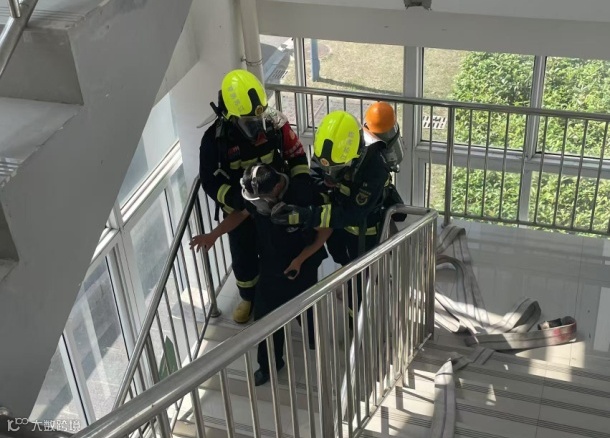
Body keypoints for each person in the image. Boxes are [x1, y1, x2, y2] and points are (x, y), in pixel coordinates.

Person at [190, 164, 332, 386]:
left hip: (301, 268)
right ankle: (269, 366)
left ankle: (315, 338)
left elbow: (325, 230)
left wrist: (300, 259)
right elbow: (240, 214)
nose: (258, 205)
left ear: (276, 188)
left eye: (261, 200)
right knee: (264, 320)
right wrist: (214, 234)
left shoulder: (303, 194)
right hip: (270, 267)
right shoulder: (255, 197)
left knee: (306, 310)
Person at [196, 69, 310, 323]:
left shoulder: (275, 124)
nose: (258, 127)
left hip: (277, 204)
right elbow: (210, 181)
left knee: (282, 249)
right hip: (240, 211)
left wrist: (300, 187)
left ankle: (290, 293)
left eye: (260, 118)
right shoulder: (215, 141)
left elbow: (296, 154)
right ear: (230, 117)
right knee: (243, 254)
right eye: (250, 122)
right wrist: (238, 201)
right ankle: (248, 297)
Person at [271, 106, 405, 313]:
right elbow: (316, 175)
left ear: (354, 155)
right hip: (336, 228)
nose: (330, 174)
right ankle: (352, 277)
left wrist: (309, 215)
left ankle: (355, 317)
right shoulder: (329, 151)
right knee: (344, 261)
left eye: (336, 169)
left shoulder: (375, 168)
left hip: (364, 232)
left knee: (359, 274)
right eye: (328, 168)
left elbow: (353, 213)